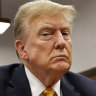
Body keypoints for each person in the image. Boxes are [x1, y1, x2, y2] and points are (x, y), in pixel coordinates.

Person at [0, 0, 96, 96]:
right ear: (22, 49)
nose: (61, 42)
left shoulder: (91, 90)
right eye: (46, 34)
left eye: (65, 33)